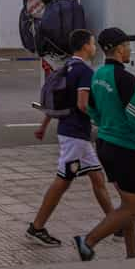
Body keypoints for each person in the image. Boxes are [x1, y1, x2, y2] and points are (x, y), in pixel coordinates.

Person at [74, 27, 135, 261]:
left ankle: (133, 254)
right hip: (124, 148)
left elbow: (90, 108)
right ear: (119, 49)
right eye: (127, 45)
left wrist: (104, 122)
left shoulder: (97, 75)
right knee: (134, 207)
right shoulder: (125, 78)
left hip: (104, 144)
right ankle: (88, 241)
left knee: (127, 203)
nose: (130, 49)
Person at [26, 29, 112, 246]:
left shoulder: (67, 67)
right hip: (75, 136)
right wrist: (101, 120)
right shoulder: (84, 71)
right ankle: (36, 227)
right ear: (85, 46)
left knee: (97, 178)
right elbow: (82, 104)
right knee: (62, 181)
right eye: (93, 44)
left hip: (72, 133)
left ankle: (115, 222)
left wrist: (43, 125)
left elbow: (59, 101)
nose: (95, 47)